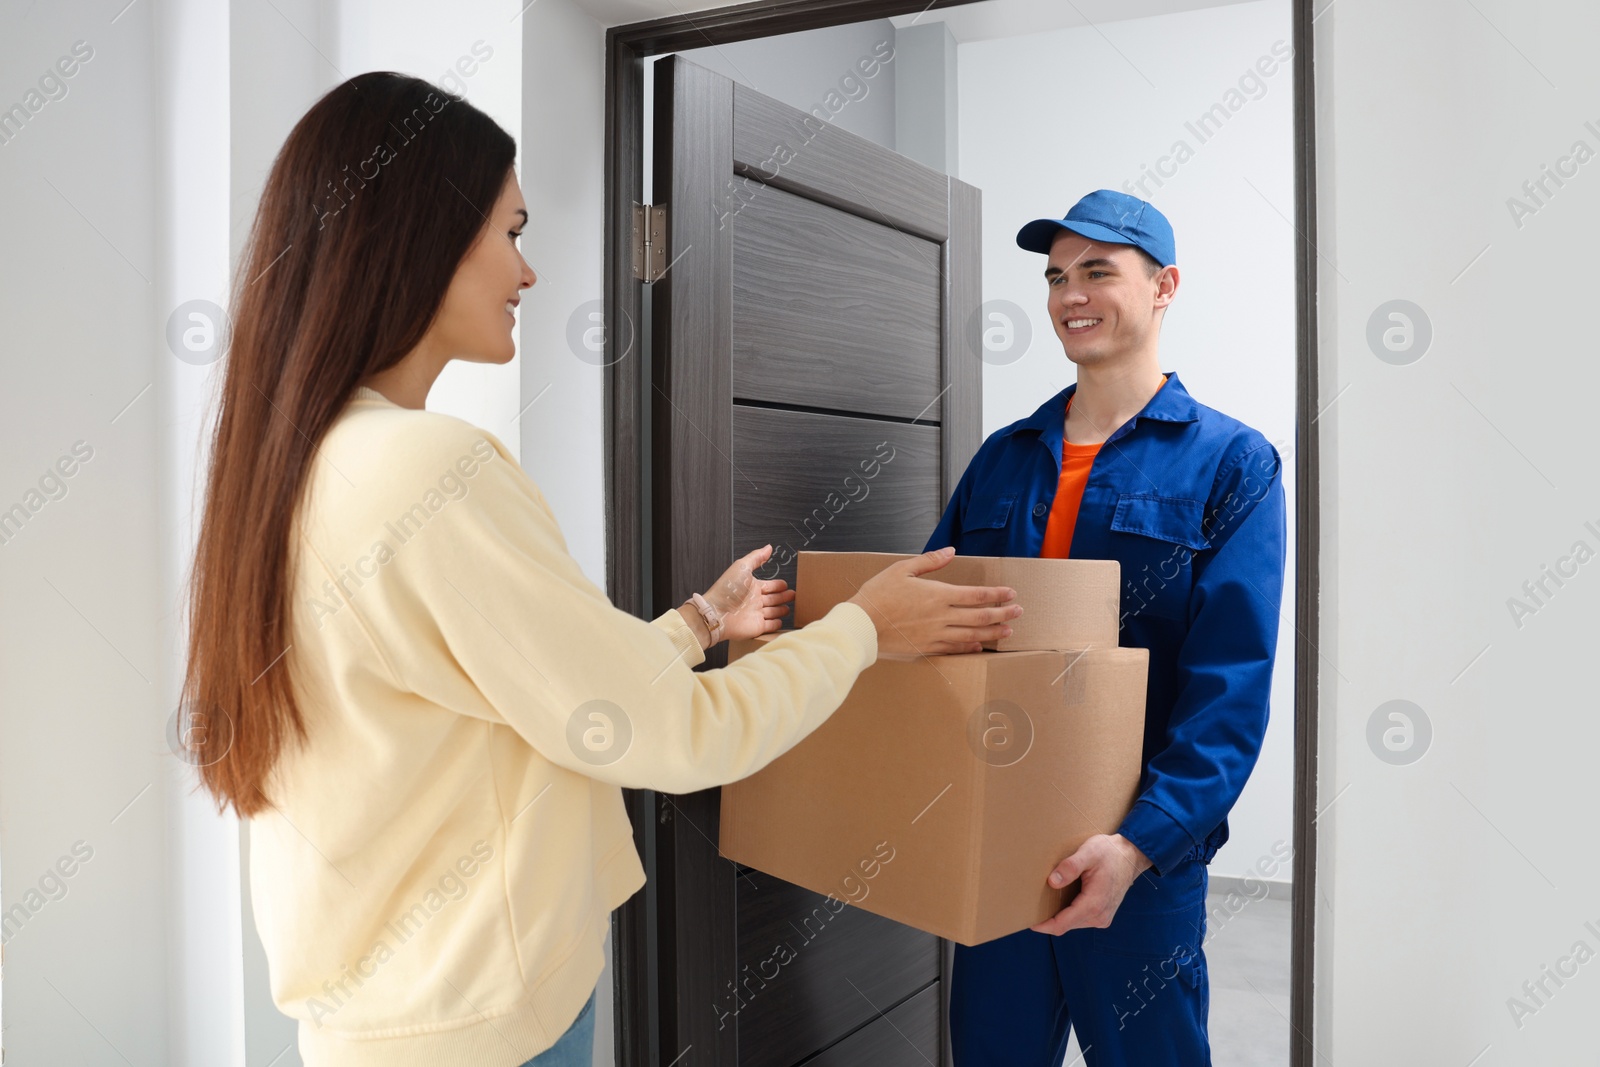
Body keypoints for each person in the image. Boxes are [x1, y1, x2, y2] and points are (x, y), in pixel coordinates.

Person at [179, 72, 1022, 1067]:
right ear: (415, 237)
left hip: (387, 1013)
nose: (527, 274)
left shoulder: (301, 462)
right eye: (512, 232)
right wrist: (866, 629)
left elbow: (522, 688)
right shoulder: (429, 470)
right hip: (482, 1024)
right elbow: (675, 735)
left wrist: (698, 621)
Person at [931, 189, 1287, 1065]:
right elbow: (934, 627)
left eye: (1098, 271)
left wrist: (1138, 844)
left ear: (1164, 286)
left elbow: (1228, 689)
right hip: (1002, 841)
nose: (1069, 295)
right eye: (1056, 277)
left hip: (1140, 862)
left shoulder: (1232, 461)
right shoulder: (1004, 456)